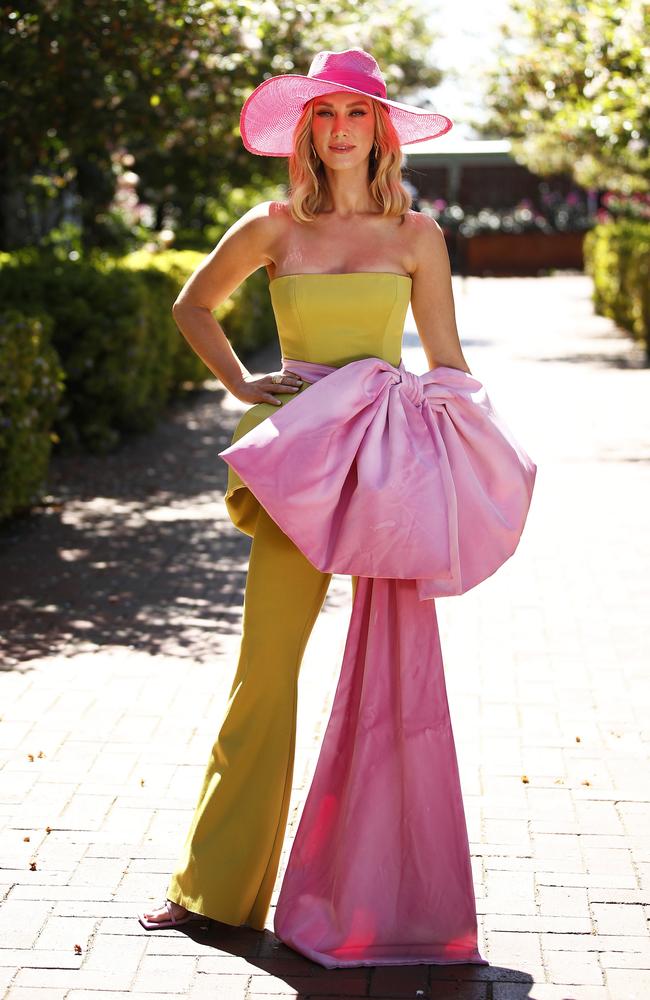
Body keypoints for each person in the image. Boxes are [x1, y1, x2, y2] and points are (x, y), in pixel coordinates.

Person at [138, 47, 536, 968]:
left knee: (398, 684)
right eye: (325, 115)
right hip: (303, 468)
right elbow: (193, 307)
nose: (343, 129)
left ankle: (383, 904)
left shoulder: (417, 235)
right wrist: (242, 383)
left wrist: (478, 460)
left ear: (381, 129)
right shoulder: (273, 227)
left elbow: (446, 360)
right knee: (264, 677)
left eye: (358, 114)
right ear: (307, 132)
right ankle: (213, 891)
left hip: (391, 469)